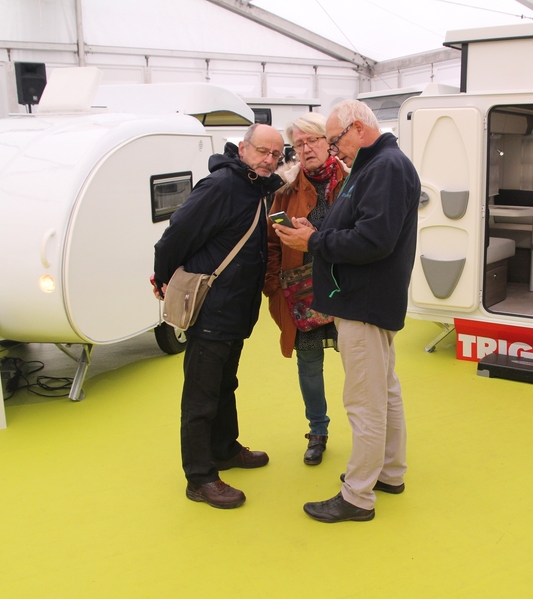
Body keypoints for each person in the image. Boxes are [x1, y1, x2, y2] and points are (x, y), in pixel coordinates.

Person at [274, 100, 420, 523]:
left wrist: (313, 244)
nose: (334, 150)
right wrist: (317, 233)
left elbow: (373, 240)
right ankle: (390, 472)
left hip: (363, 300)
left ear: (358, 128)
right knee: (383, 391)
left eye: (335, 140)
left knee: (364, 399)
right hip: (368, 299)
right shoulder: (378, 165)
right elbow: (362, 229)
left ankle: (357, 495)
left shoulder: (384, 167)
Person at [153, 124, 285, 510]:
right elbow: (175, 236)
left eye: (276, 155)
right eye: (263, 151)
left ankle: (225, 449)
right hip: (212, 310)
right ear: (242, 148)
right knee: (201, 396)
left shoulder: (254, 189)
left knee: (226, 384)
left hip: (235, 311)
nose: (269, 160)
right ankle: (199, 477)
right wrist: (164, 278)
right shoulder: (223, 187)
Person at [264, 113, 347, 466]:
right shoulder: (284, 192)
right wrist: (273, 286)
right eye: (298, 144)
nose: (306, 148)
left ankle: (370, 434)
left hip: (347, 292)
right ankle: (318, 431)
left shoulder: (354, 182)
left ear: (328, 141)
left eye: (311, 140)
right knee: (309, 365)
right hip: (302, 295)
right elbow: (269, 244)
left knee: (360, 365)